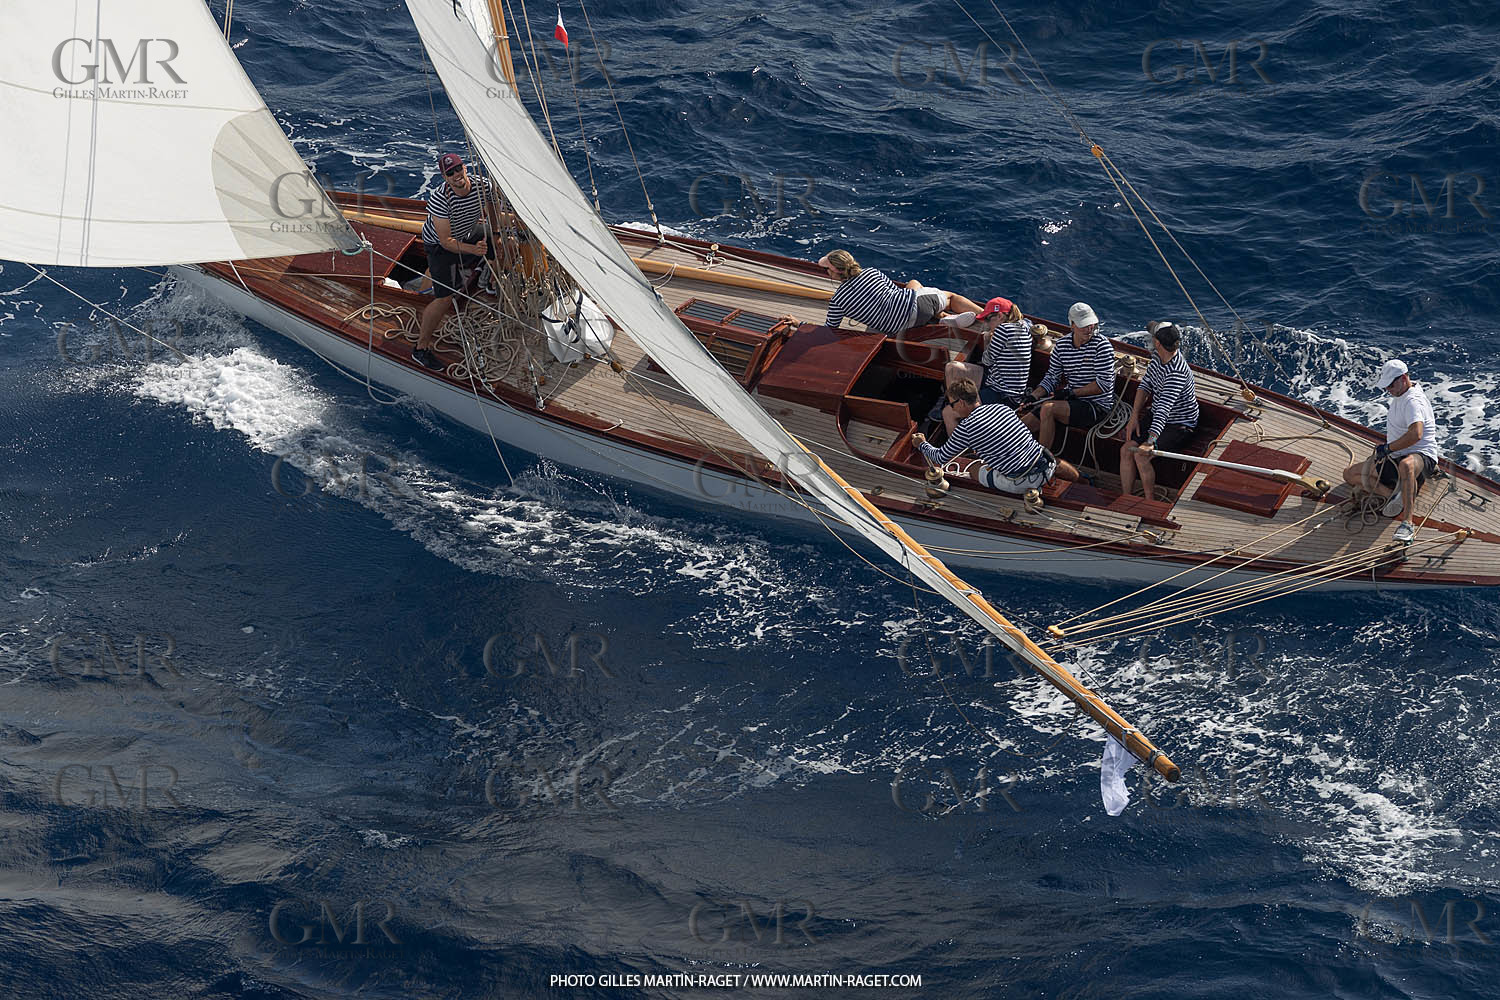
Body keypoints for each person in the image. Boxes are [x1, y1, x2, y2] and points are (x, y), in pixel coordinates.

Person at [913, 379, 1079, 494]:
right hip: (1046, 467)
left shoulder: (966, 428)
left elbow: (941, 457)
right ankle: (1083, 482)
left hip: (1021, 482)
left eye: (952, 404)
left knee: (974, 468)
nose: (952, 408)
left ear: (962, 402)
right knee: (1051, 460)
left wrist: (921, 443)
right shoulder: (1002, 408)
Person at [412, 153, 498, 371]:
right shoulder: (440, 199)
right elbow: (446, 241)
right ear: (444, 176)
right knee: (444, 297)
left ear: (465, 168)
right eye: (450, 173)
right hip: (441, 247)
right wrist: (475, 250)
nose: (456, 175)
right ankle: (420, 348)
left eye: (458, 169)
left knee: (504, 244)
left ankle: (490, 283)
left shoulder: (482, 185)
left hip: (468, 232)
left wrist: (495, 232)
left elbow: (492, 206)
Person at [1340, 359, 1440, 543]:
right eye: (1386, 387)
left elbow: (1416, 434)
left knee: (1406, 465)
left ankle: (1407, 523)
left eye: (1391, 385)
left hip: (1421, 458)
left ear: (1403, 378)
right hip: (1395, 455)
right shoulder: (1403, 393)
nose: (1388, 390)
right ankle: (1394, 495)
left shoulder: (1413, 401)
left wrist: (1387, 448)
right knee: (1349, 475)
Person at [927, 296, 1034, 438]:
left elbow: (986, 360)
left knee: (948, 413)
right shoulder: (1024, 326)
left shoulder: (1002, 330)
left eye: (988, 320)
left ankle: (958, 438)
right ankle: (958, 405)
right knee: (952, 368)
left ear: (1000, 316)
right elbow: (1029, 322)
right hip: (1002, 384)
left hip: (1002, 394)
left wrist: (987, 339)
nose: (988, 324)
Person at [1019, 302, 1116, 450]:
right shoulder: (1062, 345)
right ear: (1072, 325)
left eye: (1091, 324)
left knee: (1048, 409)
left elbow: (1103, 385)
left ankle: (1043, 459)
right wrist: (1034, 396)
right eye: (1084, 325)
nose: (1089, 329)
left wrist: (1071, 392)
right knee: (1021, 426)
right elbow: (1052, 377)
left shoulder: (1102, 346)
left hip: (1096, 406)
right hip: (1072, 401)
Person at [1120, 321, 1200, 500]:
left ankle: (1149, 502)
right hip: (1158, 414)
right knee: (1126, 450)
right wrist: (1134, 415)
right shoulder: (1158, 357)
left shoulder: (1177, 372)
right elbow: (1146, 384)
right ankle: (1126, 497)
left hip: (1180, 425)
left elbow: (1164, 408)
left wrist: (1151, 441)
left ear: (1157, 343)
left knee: (1141, 456)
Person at [819, 249, 982, 335]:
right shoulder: (871, 272)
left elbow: (829, 329)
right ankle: (984, 316)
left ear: (834, 272)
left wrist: (800, 324)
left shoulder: (838, 300)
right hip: (919, 308)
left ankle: (943, 318)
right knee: (947, 296)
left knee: (913, 286)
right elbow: (896, 293)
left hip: (896, 329)